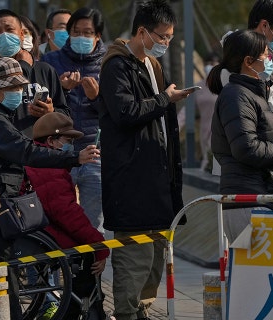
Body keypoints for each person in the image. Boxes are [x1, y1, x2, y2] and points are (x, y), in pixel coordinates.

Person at [0, 57, 100, 319]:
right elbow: (25, 151)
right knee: (2, 280)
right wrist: (74, 158)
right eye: (13, 89)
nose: (18, 93)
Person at [98, 1, 191, 318]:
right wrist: (166, 98)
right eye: (162, 36)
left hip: (158, 178)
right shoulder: (116, 66)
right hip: (131, 180)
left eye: (169, 37)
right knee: (134, 259)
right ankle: (125, 313)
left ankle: (141, 311)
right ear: (142, 31)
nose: (165, 43)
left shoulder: (152, 65)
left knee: (155, 260)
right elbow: (124, 113)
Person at [208, 30, 273, 243]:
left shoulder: (252, 94)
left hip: (262, 198)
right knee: (260, 274)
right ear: (248, 61)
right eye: (265, 55)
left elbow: (264, 141)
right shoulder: (236, 96)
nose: (270, 59)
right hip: (250, 201)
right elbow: (247, 148)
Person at [26, 112, 109, 319]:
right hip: (45, 233)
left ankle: (81, 308)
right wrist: (99, 245)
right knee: (87, 254)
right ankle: (87, 310)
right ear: (51, 141)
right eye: (67, 141)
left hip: (41, 227)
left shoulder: (41, 161)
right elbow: (67, 214)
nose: (71, 146)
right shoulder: (49, 168)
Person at [42, 7, 106, 234]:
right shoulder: (50, 61)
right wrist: (63, 90)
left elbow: (116, 113)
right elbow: (42, 110)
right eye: (76, 32)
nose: (81, 37)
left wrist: (96, 98)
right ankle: (60, 268)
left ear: (98, 35)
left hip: (95, 154)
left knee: (92, 223)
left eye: (87, 32)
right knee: (57, 218)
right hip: (60, 152)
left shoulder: (109, 63)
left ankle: (91, 268)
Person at [0, 9, 70, 138]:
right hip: (0, 148)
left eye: (9, 30)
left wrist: (51, 111)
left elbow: (65, 115)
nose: (4, 36)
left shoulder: (45, 70)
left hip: (40, 152)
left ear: (21, 35)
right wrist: (24, 66)